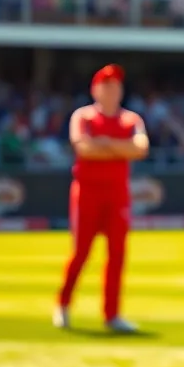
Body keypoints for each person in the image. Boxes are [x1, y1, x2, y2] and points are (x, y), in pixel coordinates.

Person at [54, 64, 149, 333]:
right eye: (107, 86)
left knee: (117, 253)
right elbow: (84, 149)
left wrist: (105, 144)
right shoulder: (83, 116)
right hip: (87, 191)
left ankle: (112, 314)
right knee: (81, 252)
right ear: (95, 90)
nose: (112, 91)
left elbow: (141, 149)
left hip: (117, 192)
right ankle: (63, 304)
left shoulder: (131, 119)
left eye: (116, 86)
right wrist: (121, 149)